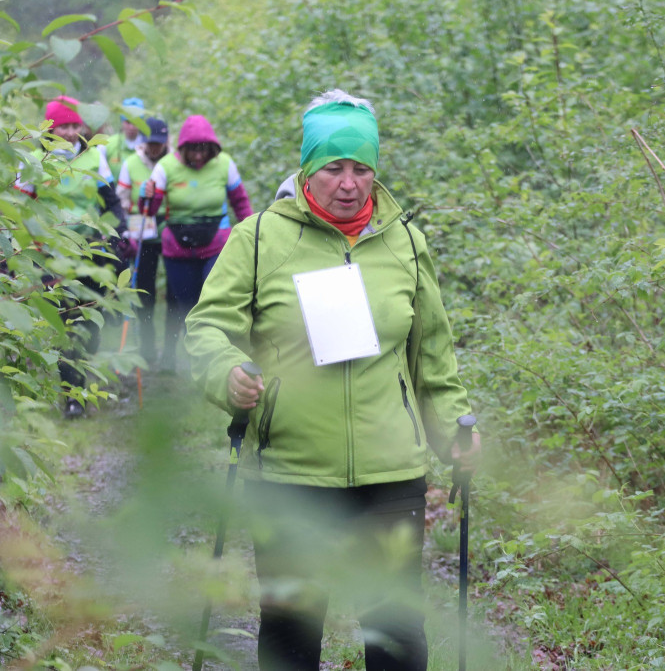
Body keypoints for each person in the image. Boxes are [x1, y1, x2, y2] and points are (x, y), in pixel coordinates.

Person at [184, 90, 481, 671]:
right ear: (307, 170)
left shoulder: (407, 245)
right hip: (292, 472)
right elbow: (205, 330)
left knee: (395, 631)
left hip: (391, 470)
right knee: (292, 631)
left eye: (361, 168)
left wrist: (455, 431)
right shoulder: (260, 238)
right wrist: (227, 374)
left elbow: (433, 360)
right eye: (333, 168)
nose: (349, 183)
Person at [15, 95, 127, 418]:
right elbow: (20, 209)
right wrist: (25, 249)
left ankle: (79, 383)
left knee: (89, 323)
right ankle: (72, 399)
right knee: (66, 323)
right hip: (49, 252)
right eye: (63, 125)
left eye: (75, 125)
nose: (69, 131)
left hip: (90, 251)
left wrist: (118, 234)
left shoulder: (94, 157)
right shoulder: (33, 160)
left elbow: (112, 203)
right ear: (50, 128)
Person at [142, 114, 252, 373]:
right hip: (177, 249)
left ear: (212, 148)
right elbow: (148, 211)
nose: (199, 156)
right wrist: (148, 196)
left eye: (204, 150)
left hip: (216, 244)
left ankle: (218, 360)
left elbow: (241, 203)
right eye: (193, 150)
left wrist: (251, 232)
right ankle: (183, 357)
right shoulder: (165, 167)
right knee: (186, 305)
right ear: (183, 148)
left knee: (214, 301)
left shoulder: (225, 164)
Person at [115, 116, 171, 366]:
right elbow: (121, 198)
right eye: (151, 142)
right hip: (142, 234)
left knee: (174, 293)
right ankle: (147, 347)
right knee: (145, 290)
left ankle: (171, 350)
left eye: (159, 142)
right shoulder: (131, 163)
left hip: (169, 231)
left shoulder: (174, 162)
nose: (155, 147)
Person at [105, 96, 146, 181]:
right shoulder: (109, 144)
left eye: (135, 122)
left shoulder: (147, 145)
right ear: (122, 121)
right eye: (128, 122)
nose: (131, 127)